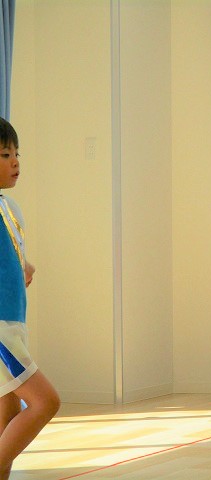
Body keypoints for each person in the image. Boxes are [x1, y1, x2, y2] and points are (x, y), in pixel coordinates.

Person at [0, 117, 60, 479]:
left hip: (14, 323)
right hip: (1, 330)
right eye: (5, 155)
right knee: (45, 402)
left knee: (7, 415)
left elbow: (13, 257)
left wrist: (24, 267)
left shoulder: (10, 208)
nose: (15, 162)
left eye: (16, 154)